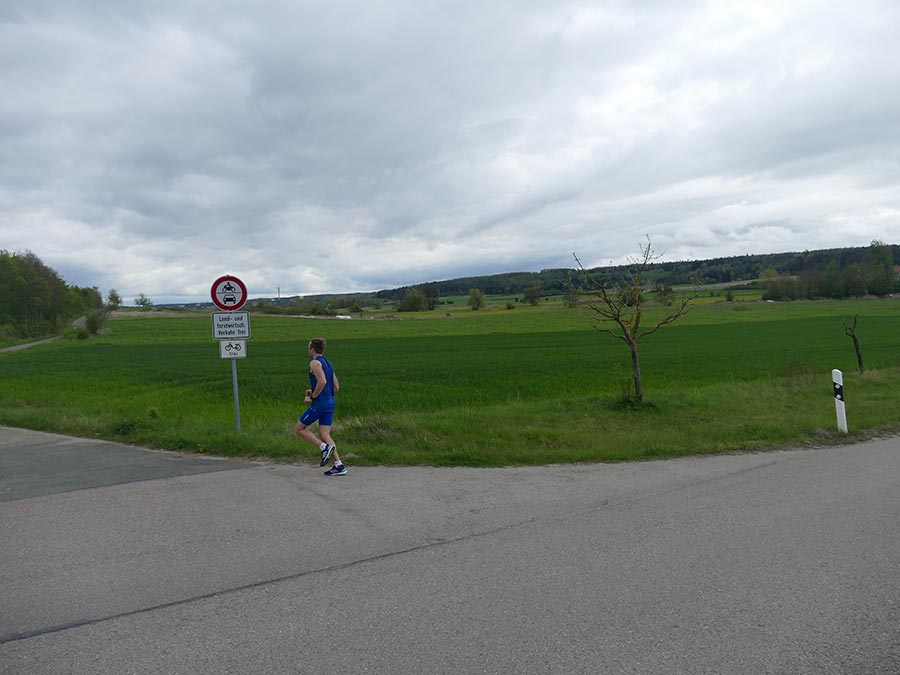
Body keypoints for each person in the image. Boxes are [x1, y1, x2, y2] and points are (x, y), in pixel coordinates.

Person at [293, 338, 346, 476]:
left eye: (308, 347)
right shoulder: (328, 363)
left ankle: (323, 447)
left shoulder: (315, 363)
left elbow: (322, 381)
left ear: (312, 349)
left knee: (299, 429)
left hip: (320, 404)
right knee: (324, 434)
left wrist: (312, 397)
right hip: (330, 403)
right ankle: (339, 465)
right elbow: (336, 387)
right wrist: (314, 391)